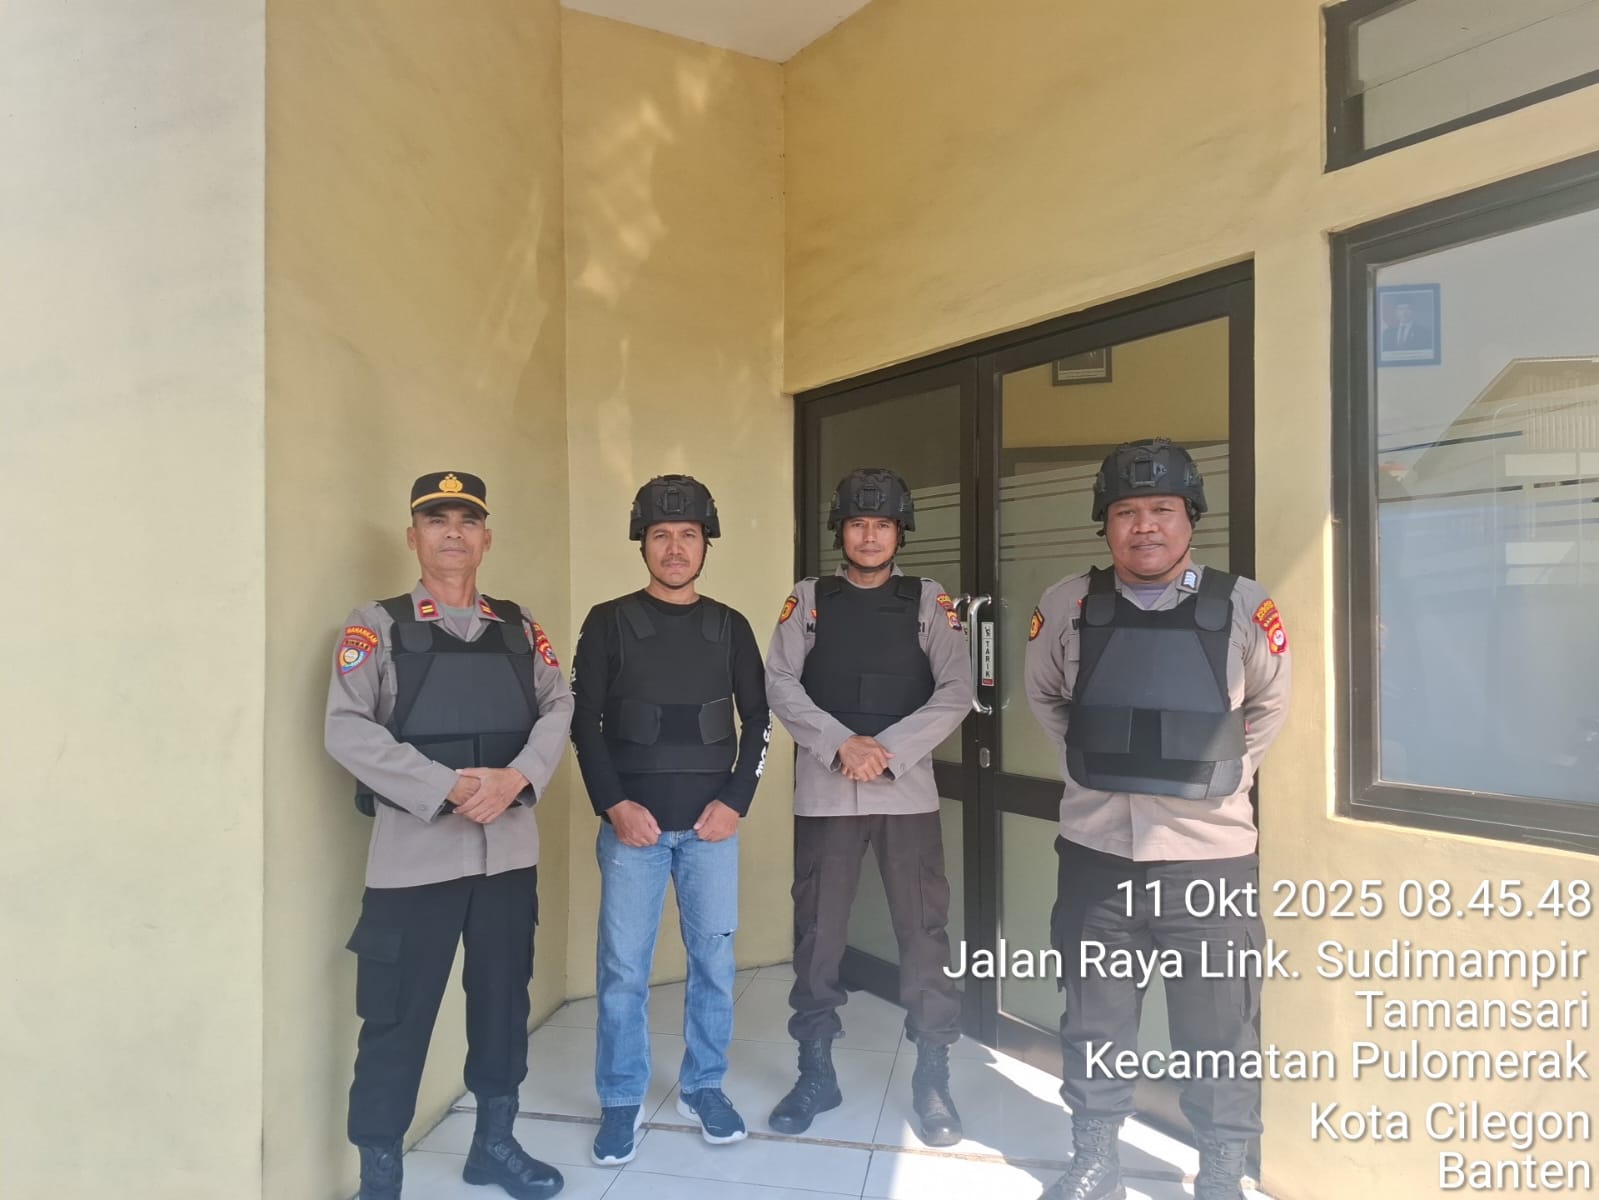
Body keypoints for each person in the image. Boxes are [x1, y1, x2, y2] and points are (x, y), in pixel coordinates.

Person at [1023, 439, 1291, 1200]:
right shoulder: (1066, 604)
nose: (1144, 526)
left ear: (1190, 518)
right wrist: (1096, 766)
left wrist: (1213, 778)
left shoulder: (1243, 605)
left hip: (1208, 858)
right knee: (1094, 1018)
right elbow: (1045, 697)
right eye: (1126, 512)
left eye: (1162, 510)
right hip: (1096, 852)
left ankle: (1220, 1171)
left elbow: (1269, 703)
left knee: (1220, 1028)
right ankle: (1095, 1159)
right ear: (1105, 523)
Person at [325, 471, 573, 1200]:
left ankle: (494, 1146)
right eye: (437, 520)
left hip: (507, 858)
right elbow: (347, 729)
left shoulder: (519, 628)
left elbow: (559, 705)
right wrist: (448, 786)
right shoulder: (376, 626)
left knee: (502, 1009)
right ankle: (380, 1175)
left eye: (467, 521)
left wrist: (516, 777)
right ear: (413, 537)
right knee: (394, 1021)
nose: (454, 533)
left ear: (486, 539)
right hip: (413, 864)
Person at [764, 467, 974, 1147]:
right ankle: (815, 1071)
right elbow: (780, 682)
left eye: (882, 524)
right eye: (858, 524)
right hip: (827, 791)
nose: (869, 536)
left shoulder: (928, 600)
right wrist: (840, 744)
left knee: (924, 933)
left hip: (905, 792)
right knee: (817, 934)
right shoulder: (809, 599)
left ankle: (932, 1075)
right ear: (841, 531)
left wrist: (886, 751)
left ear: (898, 532)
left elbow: (956, 688)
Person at [570, 474, 771, 1165]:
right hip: (634, 833)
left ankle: (703, 1086)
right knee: (623, 971)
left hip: (711, 831)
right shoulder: (607, 621)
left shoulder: (730, 626)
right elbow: (584, 723)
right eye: (661, 535)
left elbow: (760, 720)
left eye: (688, 535)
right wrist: (614, 805)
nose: (675, 548)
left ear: (706, 544)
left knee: (713, 964)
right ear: (643, 543)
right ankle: (621, 1098)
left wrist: (736, 802)